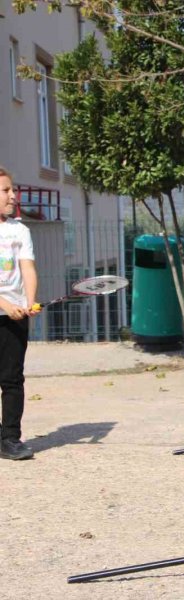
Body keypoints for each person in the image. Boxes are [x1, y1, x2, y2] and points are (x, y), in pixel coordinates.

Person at [0, 167, 39, 460]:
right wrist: (4, 304)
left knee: (12, 379)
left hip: (14, 318)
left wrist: (29, 302)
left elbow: (27, 268)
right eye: (5, 191)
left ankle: (10, 439)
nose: (13, 196)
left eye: (12, 190)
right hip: (5, 309)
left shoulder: (19, 230)